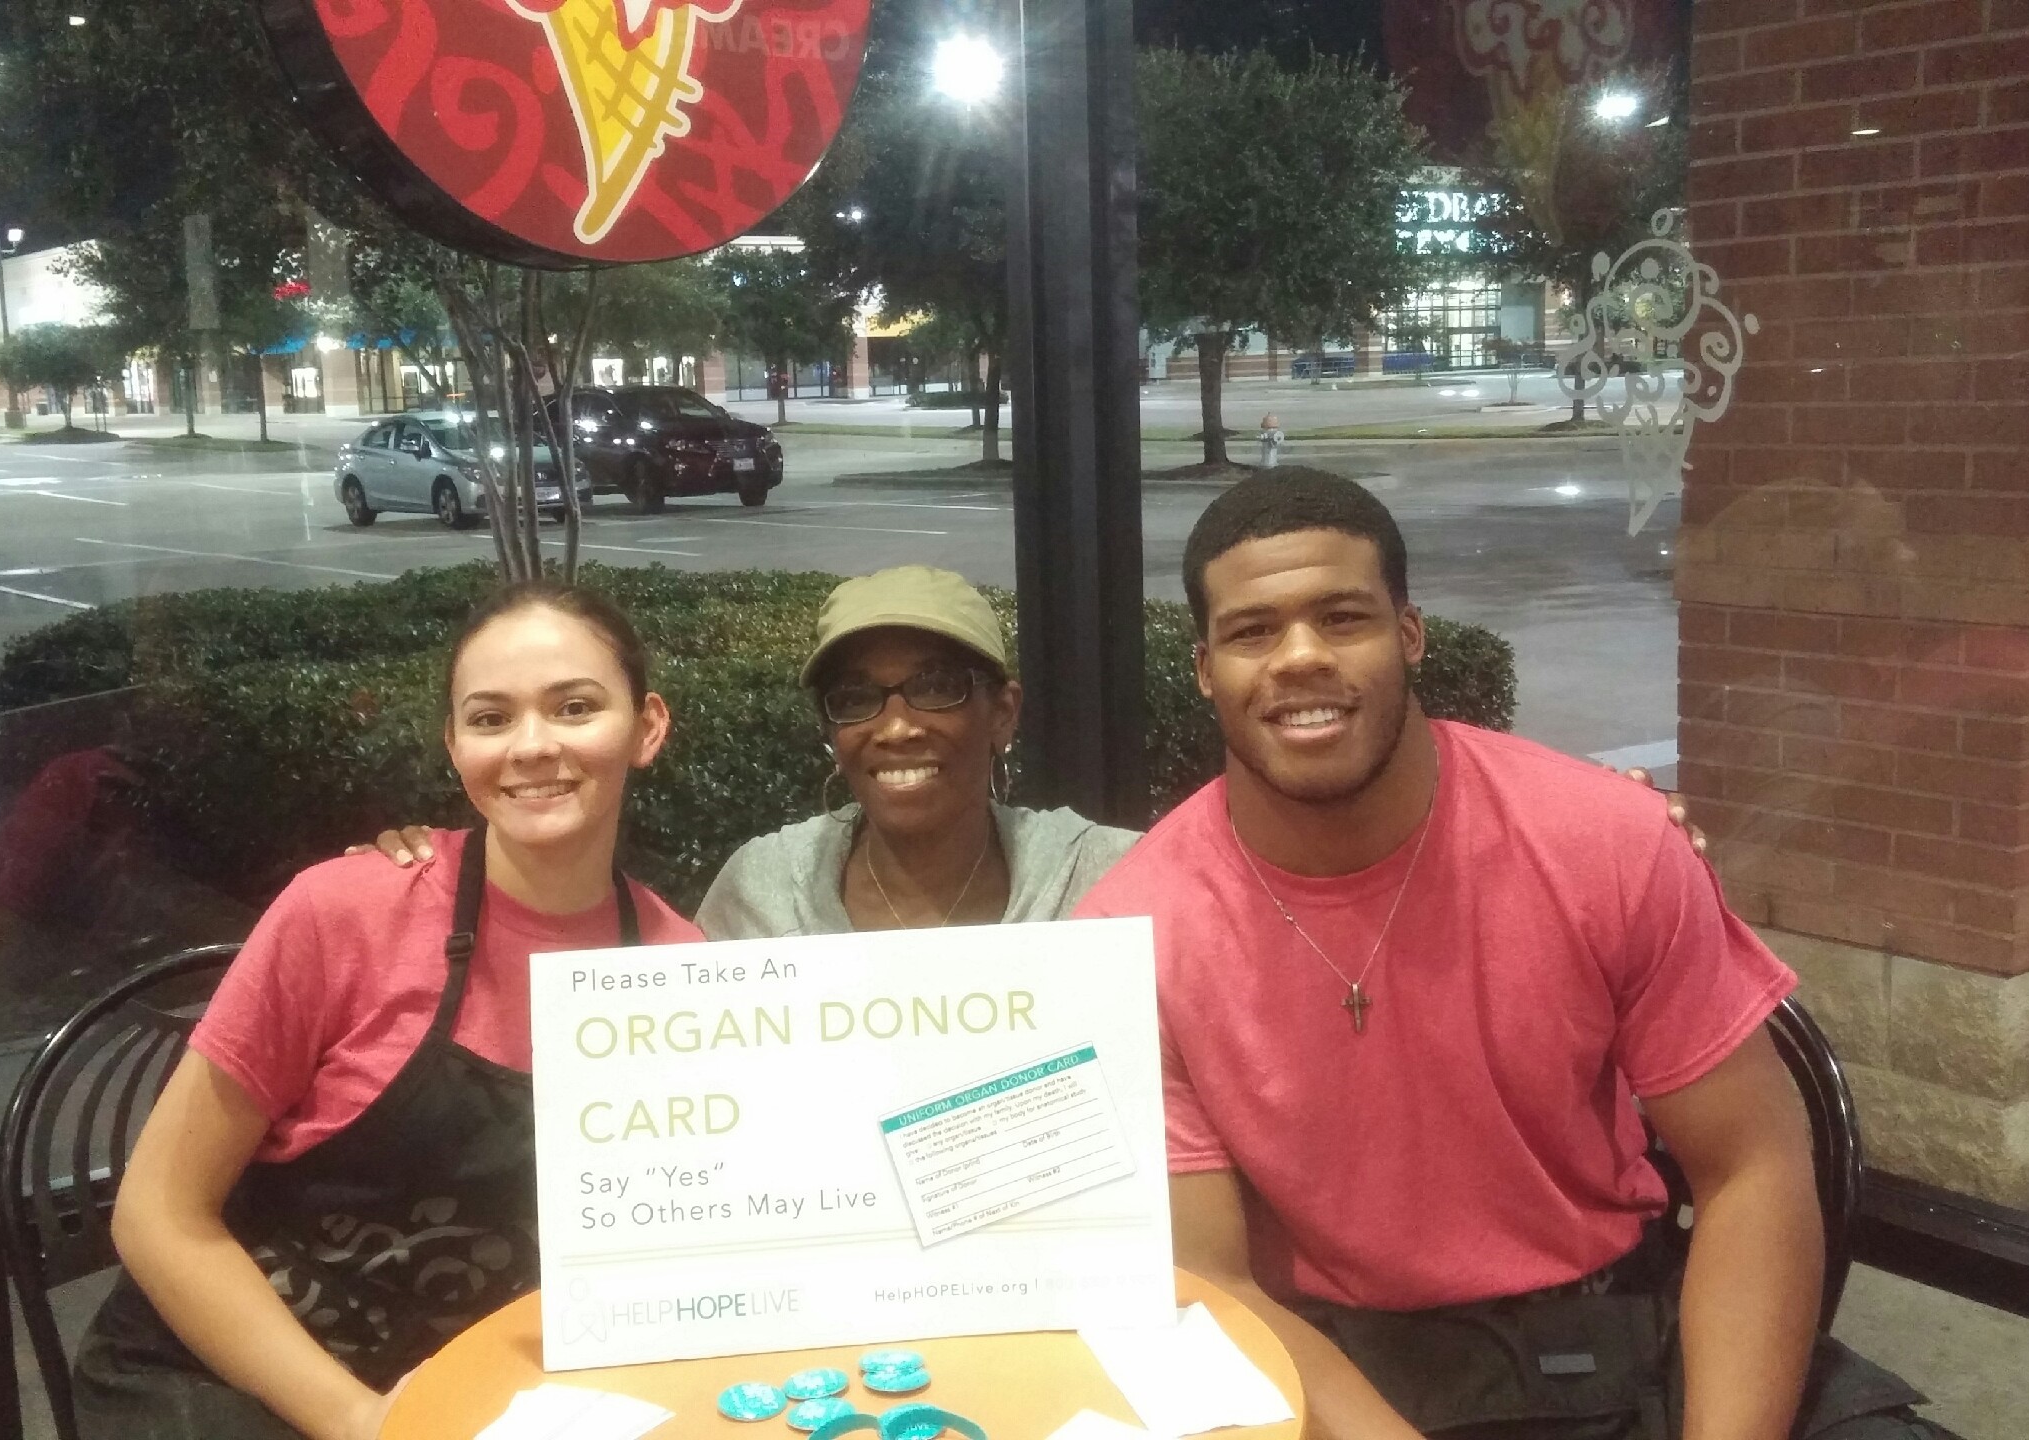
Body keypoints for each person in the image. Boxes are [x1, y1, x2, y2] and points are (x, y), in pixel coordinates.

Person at [1072, 473, 1935, 1440]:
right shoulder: (1135, 933)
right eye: (1253, 631)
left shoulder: (1604, 842)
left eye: (1342, 617)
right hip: (1333, 1369)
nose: (1300, 657)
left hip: (1614, 1337)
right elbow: (1215, 1280)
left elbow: (1753, 1167)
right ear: (1204, 669)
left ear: (1409, 635)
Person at [74, 581, 702, 1440]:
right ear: (454, 748)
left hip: (476, 1395)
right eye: (489, 719)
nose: (532, 746)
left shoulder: (682, 970)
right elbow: (157, 1214)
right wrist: (360, 1420)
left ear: (648, 727)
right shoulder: (345, 912)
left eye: (575, 707)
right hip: (226, 1377)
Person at [365, 565, 1139, 938]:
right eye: (856, 698)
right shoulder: (763, 893)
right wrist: (410, 875)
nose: (896, 726)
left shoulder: (1108, 880)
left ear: (1002, 713)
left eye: (935, 687)